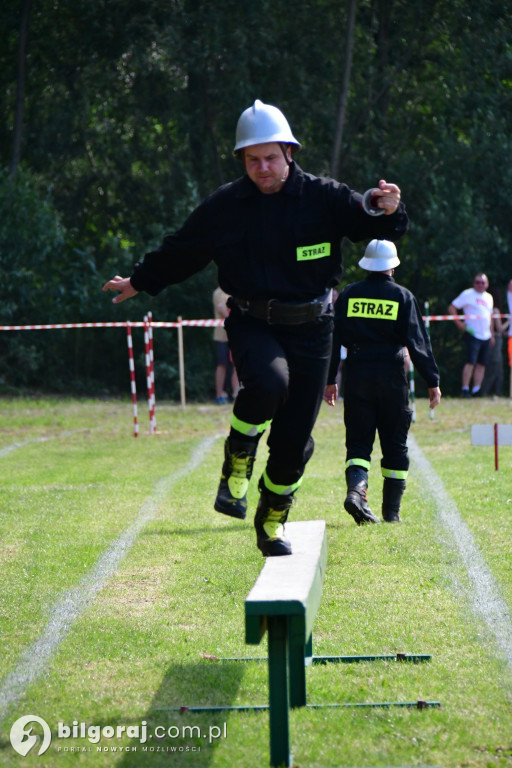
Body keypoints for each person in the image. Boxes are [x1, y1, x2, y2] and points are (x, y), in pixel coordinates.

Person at [103, 99, 408, 556]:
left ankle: (271, 520)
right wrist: (139, 281)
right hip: (252, 321)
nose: (262, 168)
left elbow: (376, 222)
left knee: (292, 442)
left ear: (289, 152)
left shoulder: (324, 197)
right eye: (252, 159)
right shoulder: (225, 206)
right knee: (268, 382)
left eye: (269, 157)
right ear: (242, 160)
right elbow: (183, 250)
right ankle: (237, 459)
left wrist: (389, 208)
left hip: (314, 328)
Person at [324, 240, 441, 524]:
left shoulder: (350, 294)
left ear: (366, 264)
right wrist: (432, 380)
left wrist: (329, 380)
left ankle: (356, 492)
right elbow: (418, 342)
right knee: (395, 443)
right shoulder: (402, 296)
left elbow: (333, 338)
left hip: (357, 374)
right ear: (392, 265)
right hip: (392, 375)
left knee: (358, 444)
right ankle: (391, 513)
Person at [448, 273, 494, 397]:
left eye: (483, 282)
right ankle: (465, 389)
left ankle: (476, 389)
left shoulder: (489, 297)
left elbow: (490, 317)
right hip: (473, 334)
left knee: (481, 364)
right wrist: (459, 323)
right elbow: (452, 308)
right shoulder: (467, 294)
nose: (480, 284)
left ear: (487, 284)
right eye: (477, 282)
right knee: (470, 362)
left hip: (486, 335)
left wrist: (492, 335)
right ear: (474, 283)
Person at [212, 286, 239, 404]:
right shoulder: (218, 293)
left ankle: (236, 394)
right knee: (222, 364)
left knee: (237, 365)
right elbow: (224, 312)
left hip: (236, 336)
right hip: (222, 336)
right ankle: (219, 396)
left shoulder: (236, 291)